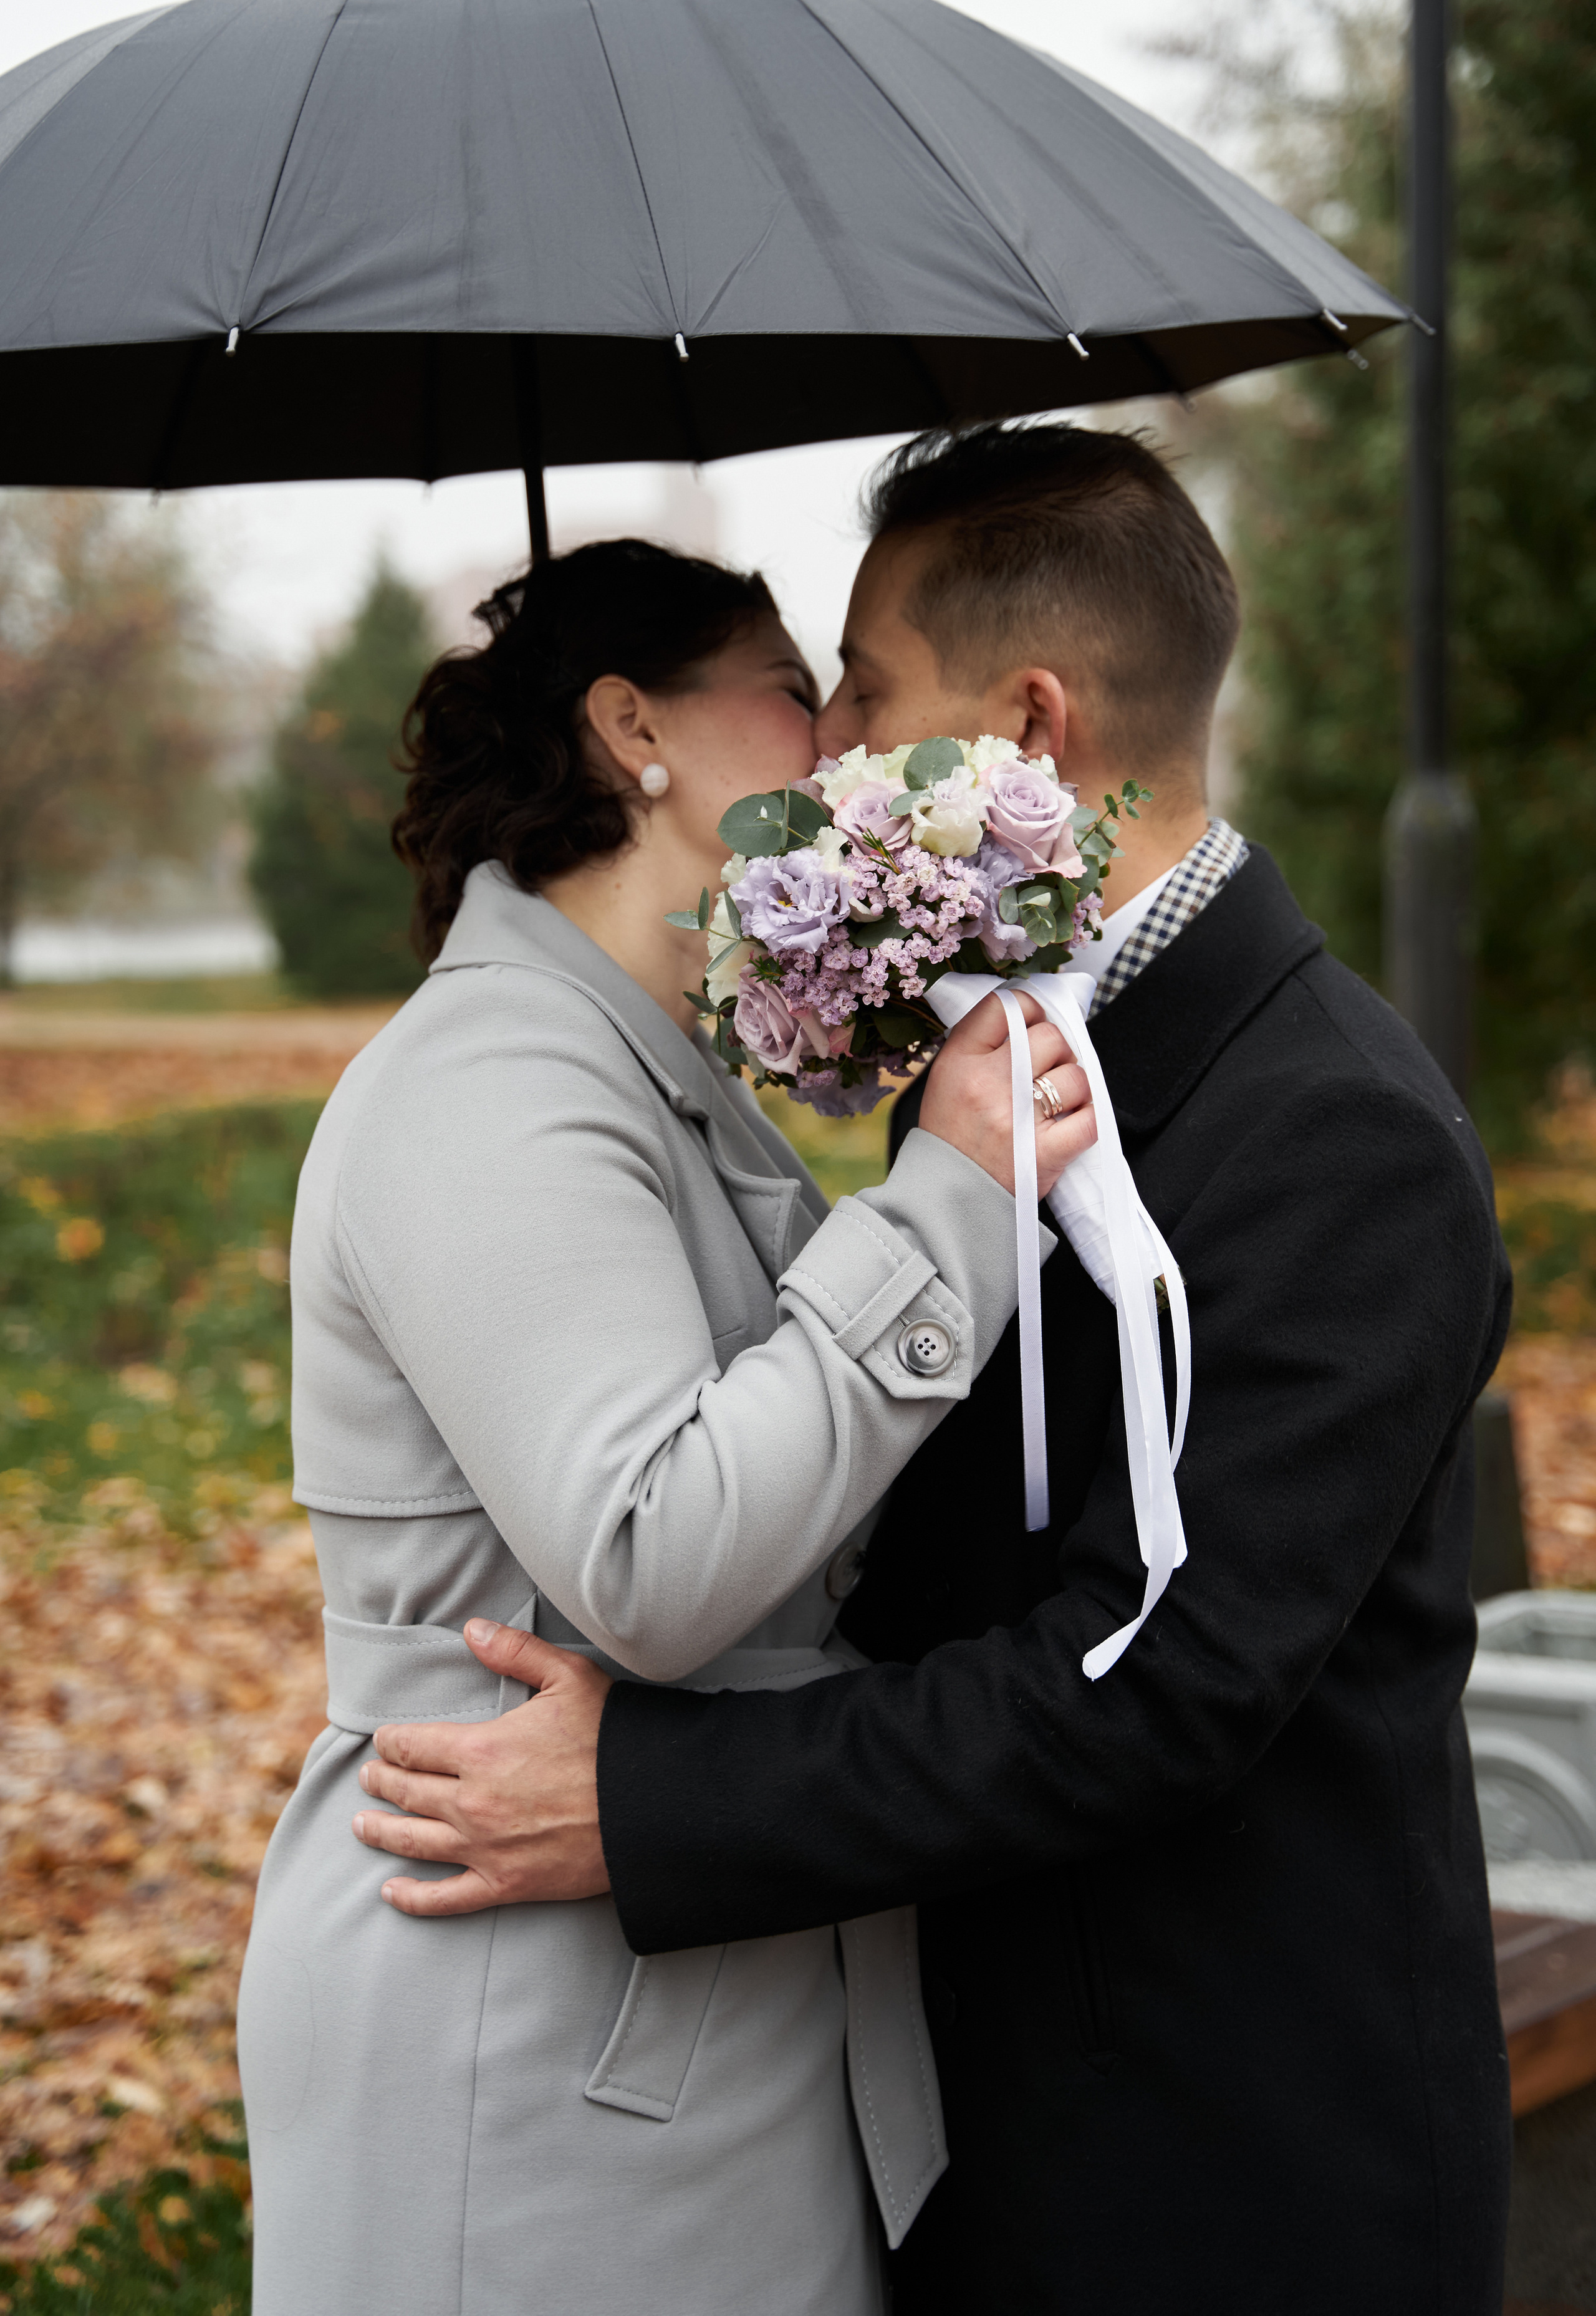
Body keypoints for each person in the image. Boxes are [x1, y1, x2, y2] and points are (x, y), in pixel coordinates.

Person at [354, 427, 1515, 2315]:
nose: (828, 764)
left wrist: (653, 1797)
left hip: (1240, 2172)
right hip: (998, 2129)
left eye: (866, 696)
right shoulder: (1003, 1056)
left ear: (1031, 730)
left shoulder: (1337, 1129)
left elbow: (1160, 1682)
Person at [235, 534, 1094, 2316]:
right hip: (530, 2032)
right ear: (637, 728)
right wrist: (951, 1195)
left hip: (677, 1980)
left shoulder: (643, 1065)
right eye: (800, 690)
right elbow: (655, 1552)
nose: (849, 743)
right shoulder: (489, 1087)